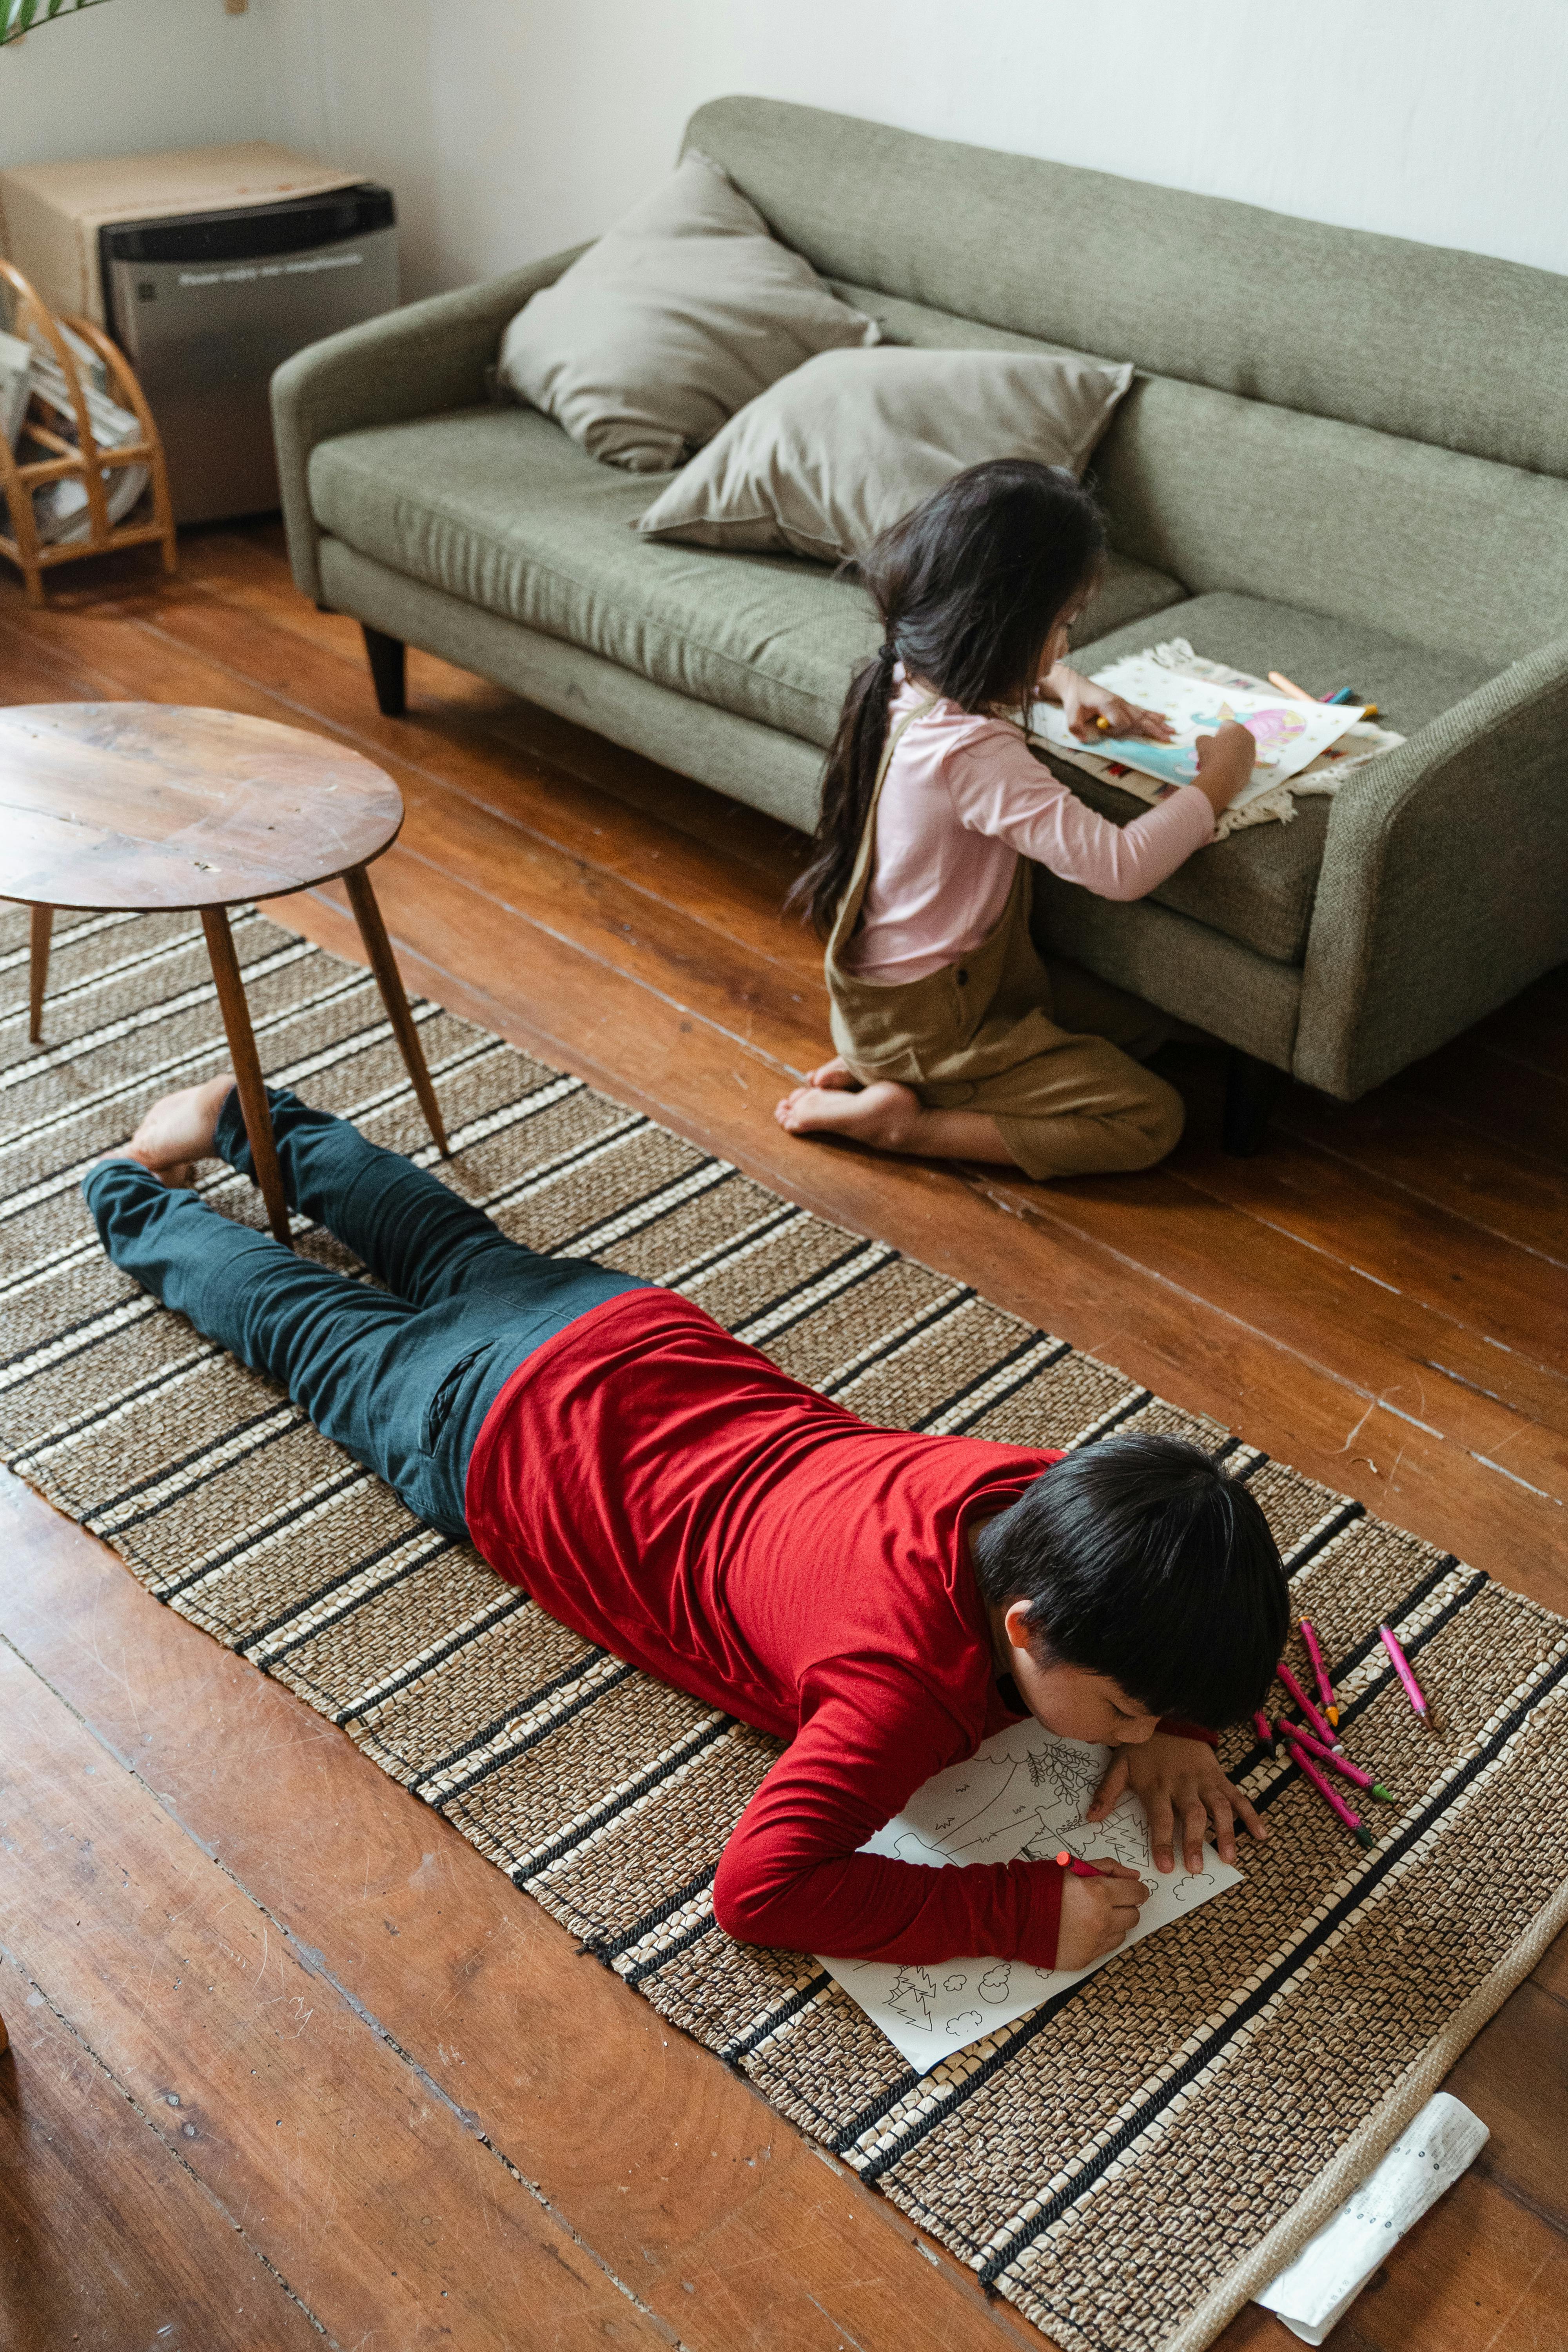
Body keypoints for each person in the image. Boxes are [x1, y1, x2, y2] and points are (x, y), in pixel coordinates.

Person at [85, 1077, 1287, 1973]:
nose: (1120, 1736)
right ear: (1025, 1628)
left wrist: (1175, 1722)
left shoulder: (1035, 1486)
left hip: (627, 1333)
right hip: (488, 1441)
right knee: (300, 1329)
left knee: (445, 1242)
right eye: (1124, 1707)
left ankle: (253, 1118)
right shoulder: (900, 1694)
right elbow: (761, 1892)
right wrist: (1016, 1913)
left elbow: (1176, 1567)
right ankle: (124, 1194)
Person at [775, 459, 1258, 1178]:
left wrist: (1066, 680)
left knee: (1162, 1025)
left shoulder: (905, 674)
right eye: (1060, 627)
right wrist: (1221, 779)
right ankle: (909, 1123)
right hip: (943, 1018)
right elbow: (1119, 868)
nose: (1064, 643)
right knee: (1150, 1116)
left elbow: (1007, 665)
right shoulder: (973, 753)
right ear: (1001, 626)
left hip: (924, 994)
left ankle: (882, 1065)